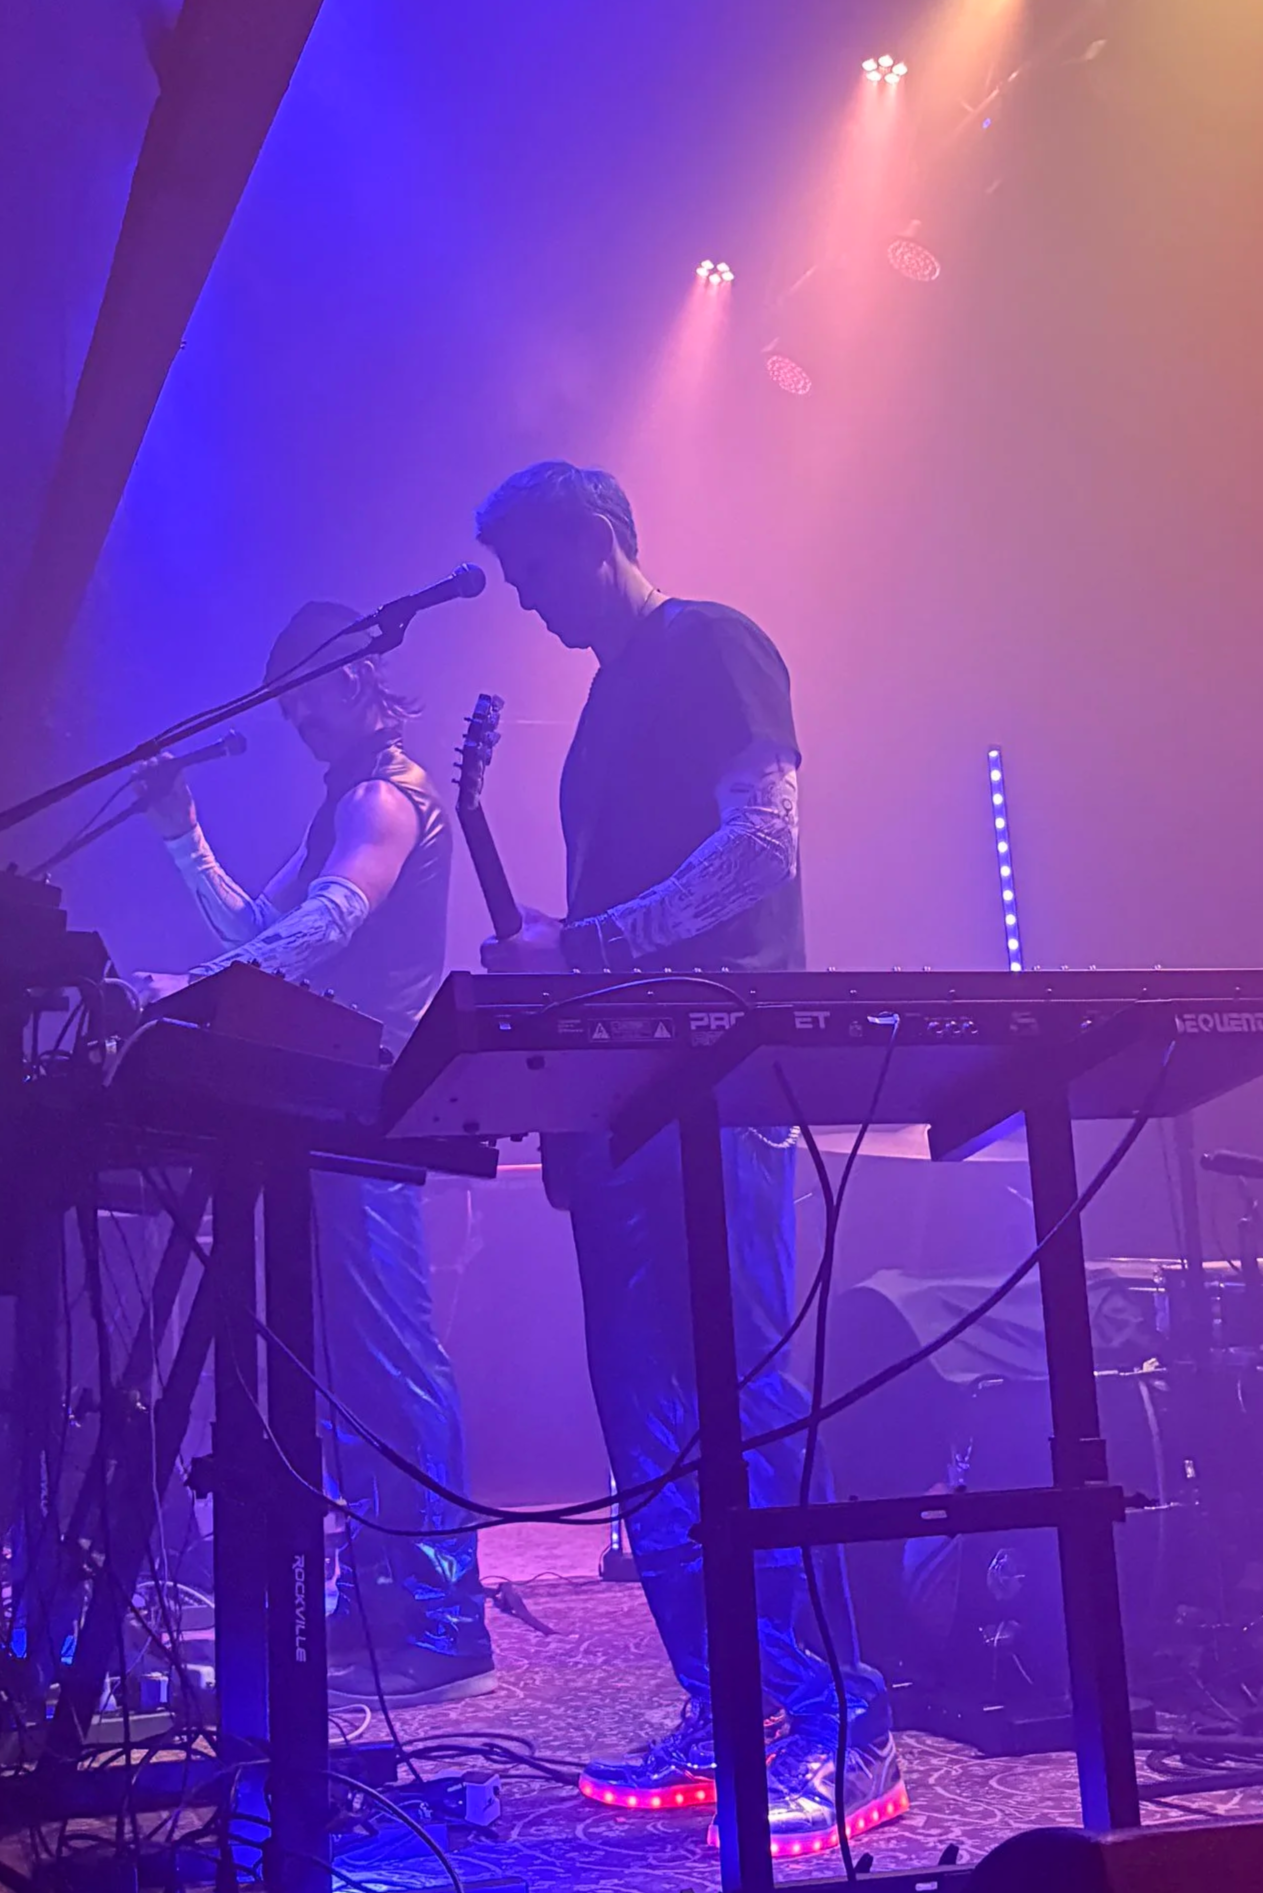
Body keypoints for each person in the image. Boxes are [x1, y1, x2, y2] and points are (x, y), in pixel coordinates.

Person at [474, 461, 904, 1847]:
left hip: (712, 1088)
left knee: (743, 1400)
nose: (526, 602)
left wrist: (583, 948)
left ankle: (847, 1721)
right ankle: (729, 1702)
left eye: (535, 569)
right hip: (620, 1101)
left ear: (596, 540)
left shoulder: (708, 642)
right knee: (647, 1425)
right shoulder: (604, 696)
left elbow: (759, 846)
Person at [136, 601, 495, 1708]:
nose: (291, 714)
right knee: (340, 1367)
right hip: (322, 1107)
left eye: (303, 693)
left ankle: (445, 1605)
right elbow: (260, 936)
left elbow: (330, 921)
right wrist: (179, 830)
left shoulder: (386, 798)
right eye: (280, 698)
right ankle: (383, 1591)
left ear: (354, 680)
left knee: (390, 1359)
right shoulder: (342, 801)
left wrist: (197, 1000)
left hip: (370, 1106)